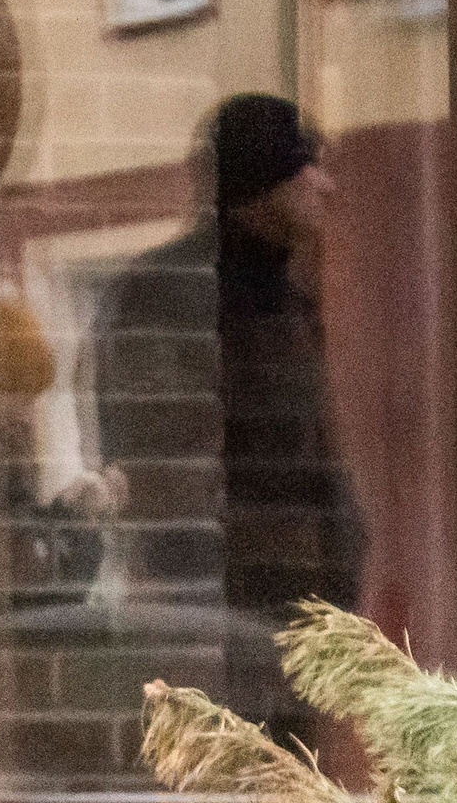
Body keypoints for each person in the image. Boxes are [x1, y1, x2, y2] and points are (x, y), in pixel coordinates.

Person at [93, 92, 369, 744]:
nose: (325, 185)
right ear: (259, 183)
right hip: (219, 626)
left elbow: (312, 453)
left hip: (294, 617)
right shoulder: (170, 296)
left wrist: (342, 545)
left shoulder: (287, 297)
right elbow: (166, 469)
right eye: (306, 167)